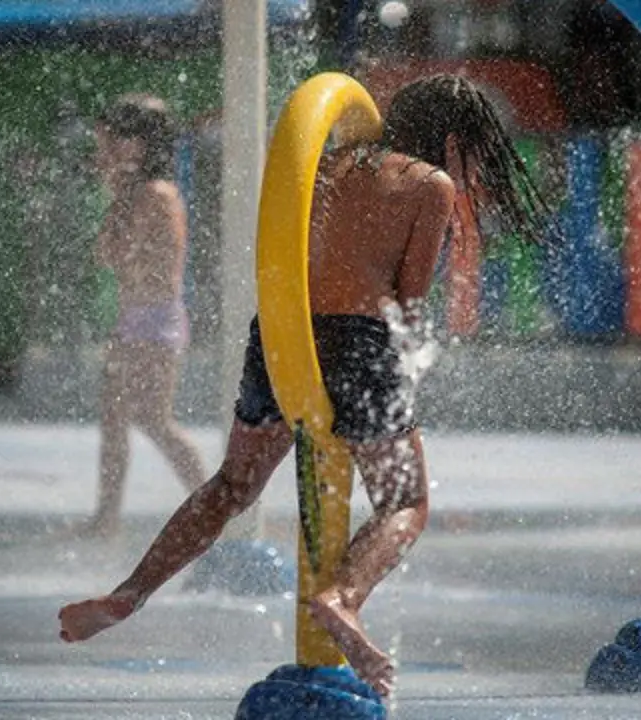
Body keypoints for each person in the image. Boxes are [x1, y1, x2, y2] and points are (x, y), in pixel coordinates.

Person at [59, 75, 548, 697]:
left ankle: (128, 594)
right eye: (472, 151)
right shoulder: (431, 185)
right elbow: (409, 298)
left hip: (281, 339)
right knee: (404, 502)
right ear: (450, 139)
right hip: (359, 343)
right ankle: (343, 599)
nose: (471, 166)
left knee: (233, 485)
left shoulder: (326, 163)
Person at [89, 95, 207, 537]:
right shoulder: (134, 192)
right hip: (135, 319)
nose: (102, 154)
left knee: (154, 420)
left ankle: (215, 504)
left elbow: (116, 251)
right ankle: (106, 519)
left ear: (135, 144)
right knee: (115, 419)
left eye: (108, 143)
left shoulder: (156, 195)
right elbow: (108, 254)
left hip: (156, 322)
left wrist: (113, 190)